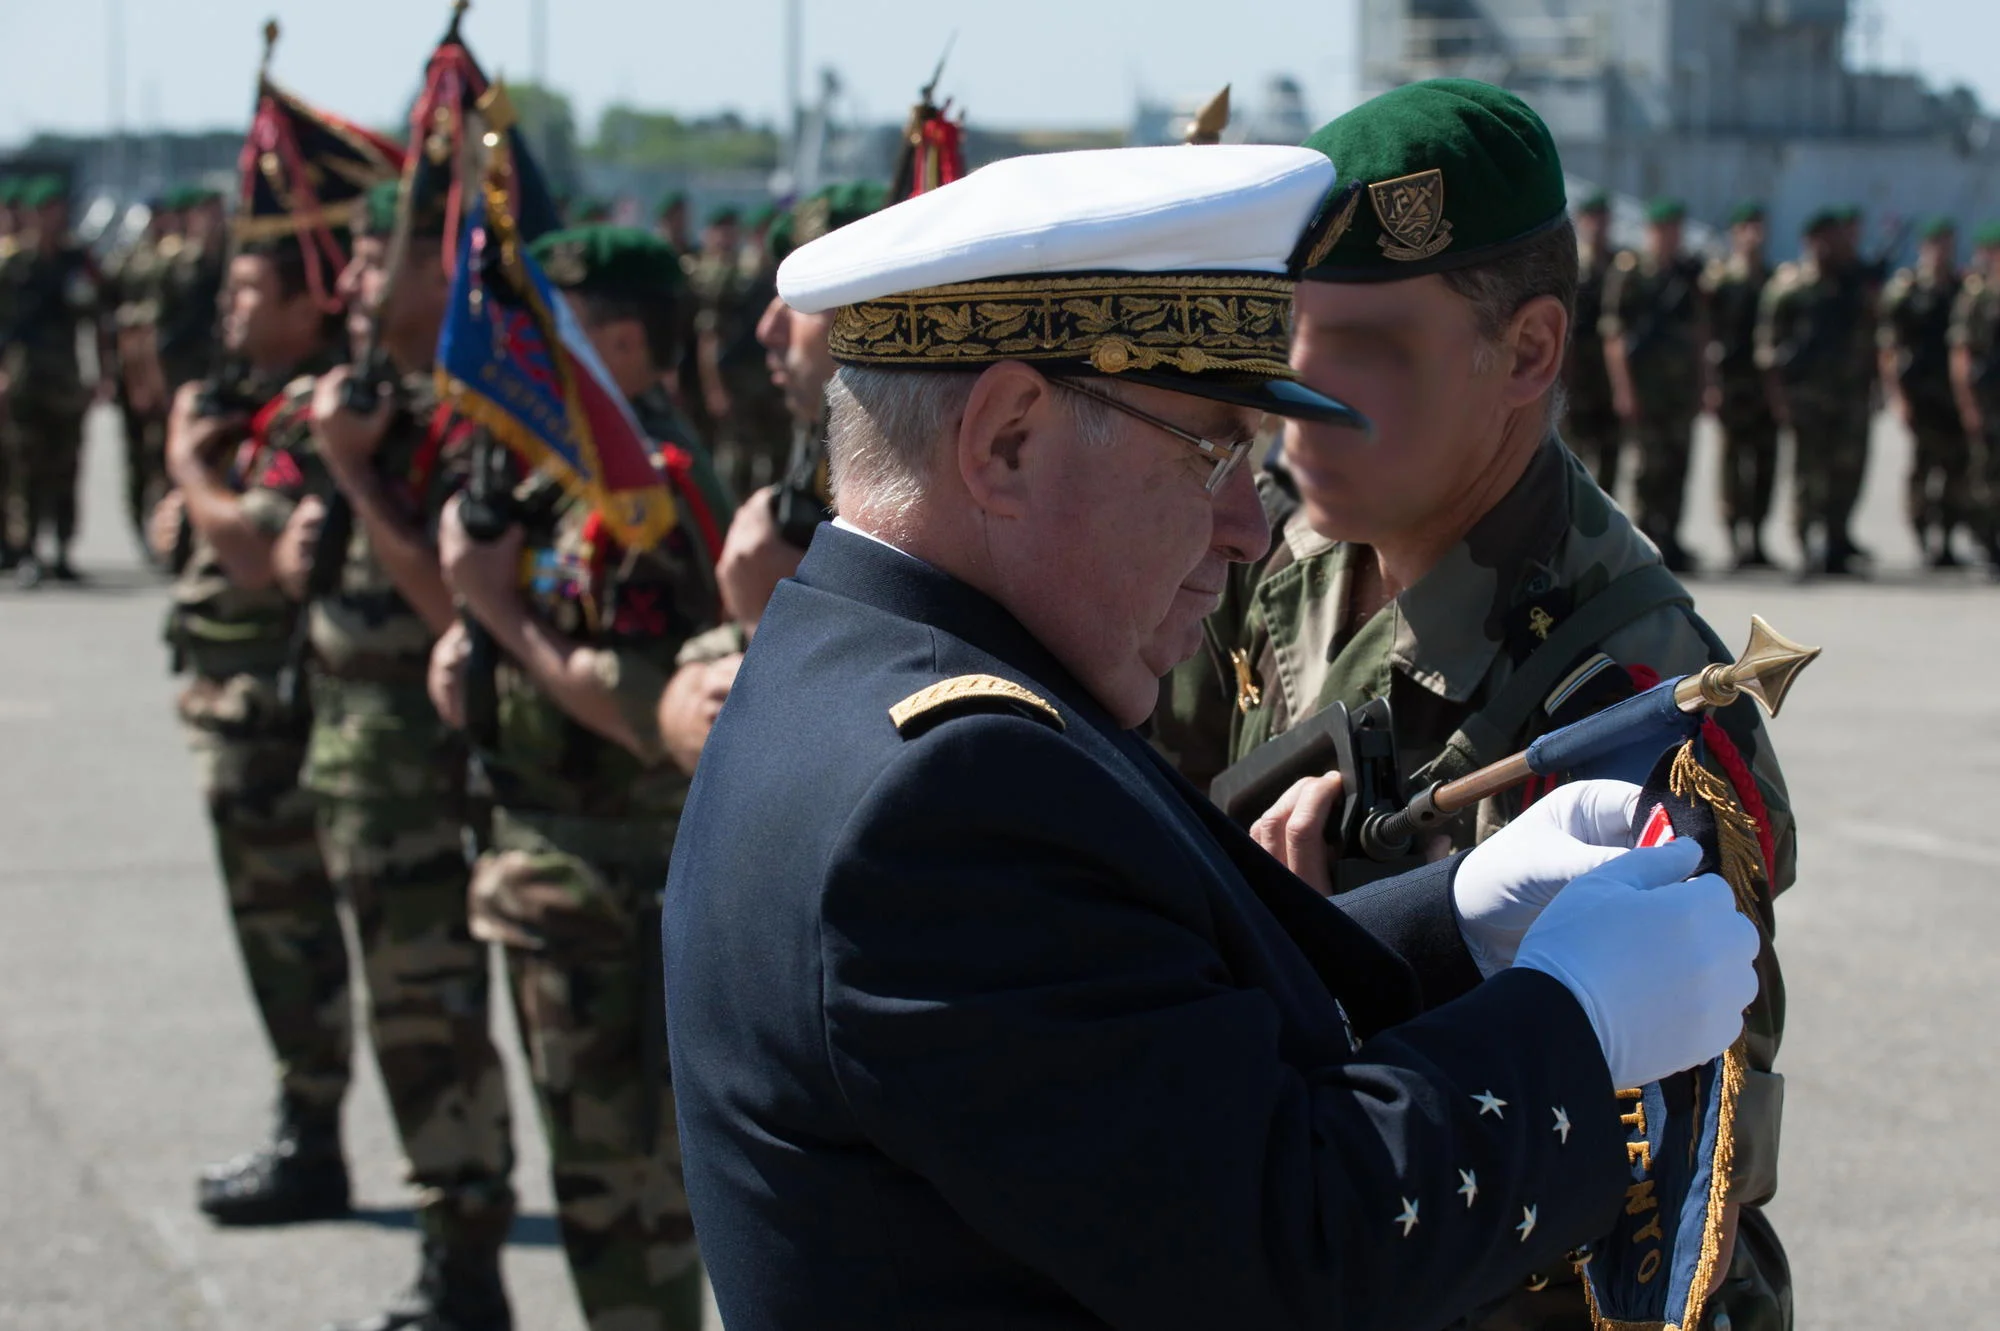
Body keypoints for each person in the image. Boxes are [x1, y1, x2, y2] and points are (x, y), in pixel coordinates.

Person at [665, 140, 1761, 1331]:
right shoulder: (947, 790)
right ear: (1005, 441)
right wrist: (1571, 1022)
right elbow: (1286, 1252)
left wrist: (1447, 923)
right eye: (1211, 449)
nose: (1249, 524)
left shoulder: (876, 667)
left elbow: (1129, 1027)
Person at [1154, 80, 1794, 1331]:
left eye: (1370, 348)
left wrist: (1344, 959)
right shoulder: (1275, 557)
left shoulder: (1635, 706)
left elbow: (1666, 1172)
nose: (1297, 392)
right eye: (1292, 331)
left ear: (1530, 351)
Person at [428, 225, 734, 1331]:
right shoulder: (567, 474)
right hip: (560, 880)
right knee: (603, 1190)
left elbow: (640, 706)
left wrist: (504, 614)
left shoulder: (637, 490)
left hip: (613, 886)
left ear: (612, 338)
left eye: (545, 335)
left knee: (627, 1201)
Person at [265, 180, 516, 1331]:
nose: (352, 284)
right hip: (350, 761)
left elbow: (449, 600)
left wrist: (360, 476)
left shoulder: (474, 420)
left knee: (434, 1025)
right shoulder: (363, 402)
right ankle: (446, 1251)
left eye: (374, 260)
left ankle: (465, 1265)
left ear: (437, 274)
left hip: (430, 779)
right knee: (400, 1017)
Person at [153, 234, 353, 1225]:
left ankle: (311, 1140)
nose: (229, 307)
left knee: (294, 940)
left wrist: (188, 467)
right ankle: (302, 1125)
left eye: (248, 289)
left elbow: (251, 549)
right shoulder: (265, 404)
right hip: (236, 710)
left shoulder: (313, 408)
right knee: (279, 938)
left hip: (275, 719)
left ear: (303, 305)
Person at [715, 181, 887, 629]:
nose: (769, 329)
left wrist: (763, 623)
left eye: (803, 299)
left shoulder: (919, 480)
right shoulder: (820, 431)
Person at [1758, 208, 1878, 577]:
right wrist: (1778, 400)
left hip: (1849, 396)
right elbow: (1768, 351)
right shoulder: (1789, 289)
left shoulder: (1854, 284)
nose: (1831, 245)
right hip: (1806, 398)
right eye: (1823, 238)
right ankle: (1803, 542)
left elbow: (1873, 339)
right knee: (1806, 474)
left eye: (1836, 237)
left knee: (1848, 470)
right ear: (1809, 242)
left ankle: (1837, 541)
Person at [0, 176, 106, 587]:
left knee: (67, 464)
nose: (50, 219)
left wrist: (101, 373)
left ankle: (63, 547)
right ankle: (27, 549)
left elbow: (96, 321)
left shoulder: (76, 262)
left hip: (65, 376)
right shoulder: (12, 266)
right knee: (25, 466)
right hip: (24, 375)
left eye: (57, 210)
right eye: (43, 211)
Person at [1601, 198, 1705, 572]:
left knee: (1679, 465)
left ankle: (1672, 537)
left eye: (1676, 230)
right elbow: (1614, 337)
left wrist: (1702, 384)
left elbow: (1700, 335)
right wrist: (1624, 390)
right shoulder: (1631, 274)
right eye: (1663, 230)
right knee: (1646, 469)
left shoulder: (1688, 275)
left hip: (1679, 392)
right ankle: (1645, 541)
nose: (1670, 238)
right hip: (1646, 391)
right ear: (1650, 233)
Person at [1880, 217, 1970, 567]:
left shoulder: (1962, 288)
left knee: (1955, 469)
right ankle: (1921, 535)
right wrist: (1898, 398)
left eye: (1947, 243)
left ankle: (1947, 539)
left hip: (1952, 396)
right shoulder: (1907, 290)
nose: (1942, 251)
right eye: (1936, 244)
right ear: (1924, 248)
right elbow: (1889, 348)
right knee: (1922, 469)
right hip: (1920, 395)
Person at [1703, 201, 1780, 569]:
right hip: (1732, 385)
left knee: (1766, 461)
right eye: (1747, 227)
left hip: (1764, 385)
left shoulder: (1773, 279)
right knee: (1732, 462)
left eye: (1759, 227)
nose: (1755, 235)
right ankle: (1735, 537)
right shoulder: (1719, 281)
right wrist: (1710, 384)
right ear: (1736, 234)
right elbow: (1705, 335)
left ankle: (1758, 537)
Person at [1947, 220, 2000, 571]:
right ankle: (1988, 541)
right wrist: (1968, 405)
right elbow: (1961, 354)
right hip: (1989, 401)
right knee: (1986, 474)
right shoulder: (1977, 298)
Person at [1562, 191, 1621, 493]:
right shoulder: (1569, 264)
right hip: (1576, 375)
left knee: (1611, 452)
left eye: (1603, 219)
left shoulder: (1620, 266)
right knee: (1573, 454)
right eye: (1592, 218)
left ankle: (1606, 523)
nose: (1598, 226)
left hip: (1610, 376)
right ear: (1582, 222)